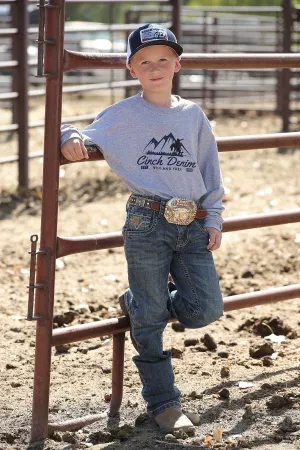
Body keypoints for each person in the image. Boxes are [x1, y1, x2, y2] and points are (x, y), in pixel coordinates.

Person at [61, 23, 224, 433]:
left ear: (177, 65)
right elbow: (78, 130)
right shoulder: (124, 114)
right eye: (144, 61)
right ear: (132, 69)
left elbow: (209, 168)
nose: (155, 68)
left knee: (206, 308)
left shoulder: (192, 115)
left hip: (192, 223)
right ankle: (164, 402)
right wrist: (68, 136)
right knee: (151, 317)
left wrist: (215, 215)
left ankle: (139, 302)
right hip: (147, 221)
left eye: (163, 60)